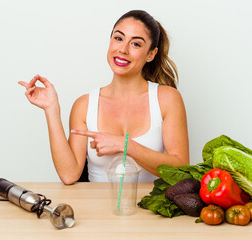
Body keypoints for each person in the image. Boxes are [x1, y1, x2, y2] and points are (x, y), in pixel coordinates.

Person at [18, 10, 189, 184]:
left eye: (136, 44)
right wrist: (51, 109)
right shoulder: (84, 105)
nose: (123, 49)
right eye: (118, 38)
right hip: (97, 208)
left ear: (151, 54)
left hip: (150, 209)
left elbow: (181, 169)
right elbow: (69, 175)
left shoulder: (167, 99)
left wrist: (126, 146)